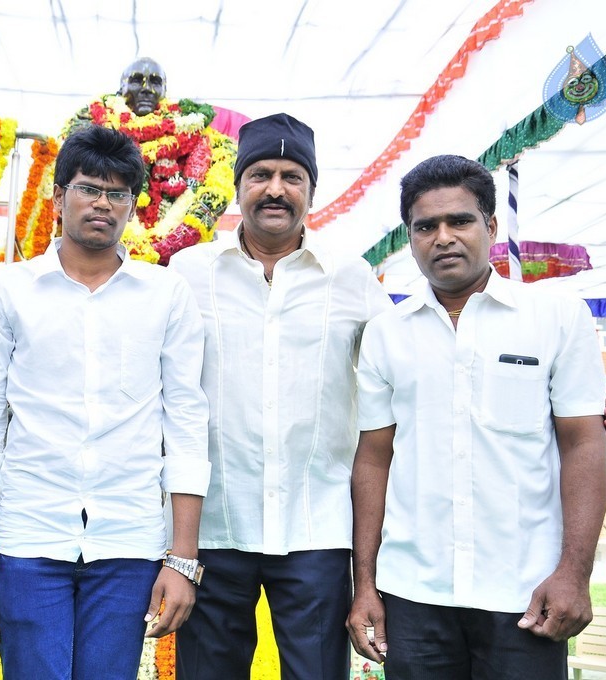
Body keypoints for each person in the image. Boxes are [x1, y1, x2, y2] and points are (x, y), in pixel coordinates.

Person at [0, 124, 211, 679]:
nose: (102, 203)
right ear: (58, 198)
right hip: (30, 537)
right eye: (88, 188)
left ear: (133, 206)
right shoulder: (7, 290)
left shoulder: (165, 294)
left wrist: (182, 557)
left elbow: (187, 421)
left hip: (129, 539)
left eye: (118, 193)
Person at [347, 154, 606, 679]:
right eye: (426, 226)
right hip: (414, 591)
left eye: (460, 221)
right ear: (410, 237)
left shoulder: (556, 318)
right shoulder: (386, 333)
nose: (443, 237)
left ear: (490, 226)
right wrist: (366, 586)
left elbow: (584, 445)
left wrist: (574, 574)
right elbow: (374, 460)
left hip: (525, 592)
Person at [169, 112, 393, 680]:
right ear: (238, 186)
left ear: (312, 191)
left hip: (315, 527)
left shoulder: (351, 277)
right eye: (261, 173)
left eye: (292, 176)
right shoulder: (187, 273)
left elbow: (409, 368)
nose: (275, 188)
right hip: (214, 524)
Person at [62, 58, 239, 266]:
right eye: (137, 80)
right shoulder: (89, 127)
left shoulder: (197, 134)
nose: (146, 89)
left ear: (165, 90)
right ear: (121, 87)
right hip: (98, 259)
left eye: (155, 82)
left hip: (179, 262)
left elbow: (217, 188)